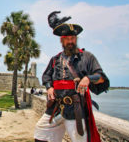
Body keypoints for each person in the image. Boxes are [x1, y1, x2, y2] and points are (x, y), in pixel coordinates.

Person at [34, 11, 109, 142]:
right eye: (67, 39)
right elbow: (46, 76)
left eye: (73, 38)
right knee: (41, 132)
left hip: (76, 109)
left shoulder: (87, 57)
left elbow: (101, 77)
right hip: (56, 107)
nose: (70, 41)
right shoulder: (55, 59)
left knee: (80, 139)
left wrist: (88, 78)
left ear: (76, 39)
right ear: (62, 40)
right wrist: (49, 87)